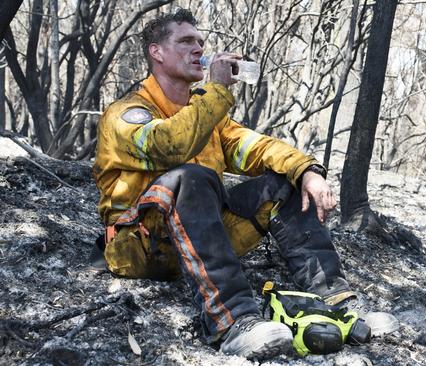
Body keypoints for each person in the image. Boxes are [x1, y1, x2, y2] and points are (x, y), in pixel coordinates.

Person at [92, 8, 396, 360]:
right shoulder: (125, 114)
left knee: (283, 183)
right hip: (142, 247)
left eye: (200, 42)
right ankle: (234, 324)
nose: (197, 49)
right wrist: (217, 89)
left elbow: (257, 147)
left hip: (199, 242)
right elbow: (170, 145)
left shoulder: (206, 116)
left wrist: (308, 170)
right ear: (156, 52)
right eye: (185, 41)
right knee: (190, 178)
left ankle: (340, 304)